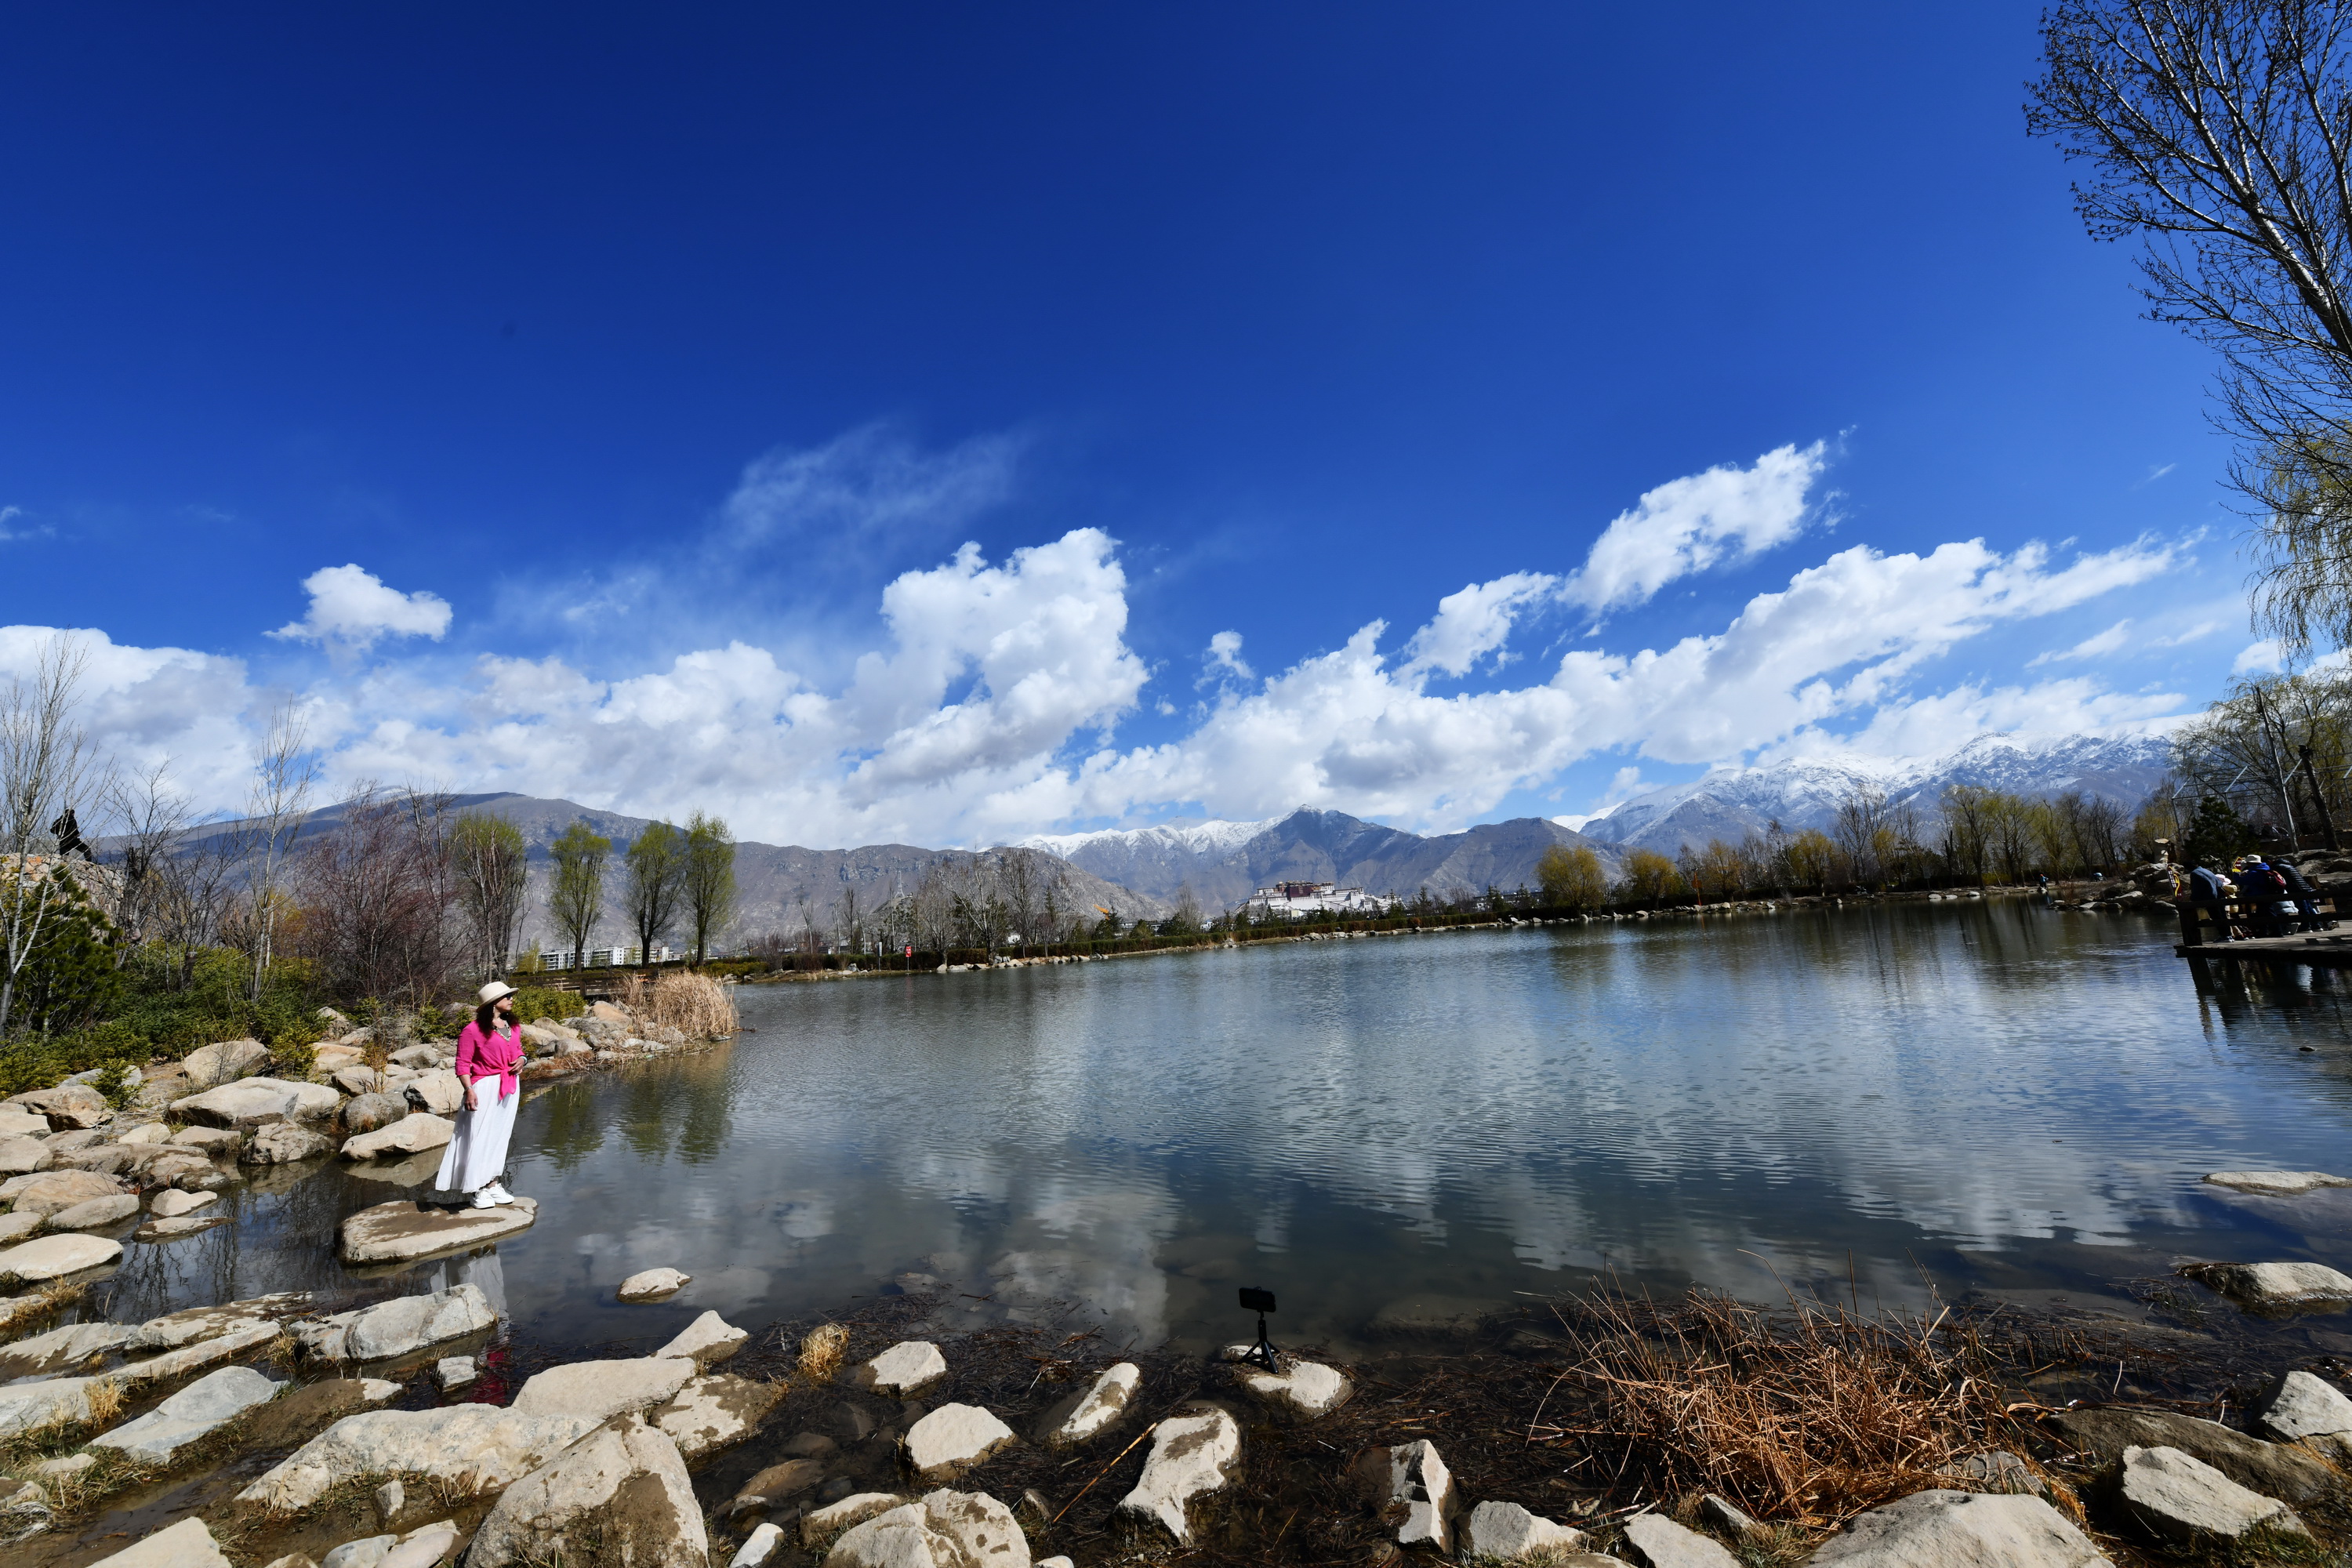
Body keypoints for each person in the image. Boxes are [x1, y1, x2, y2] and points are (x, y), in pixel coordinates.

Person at [439, 981, 524, 1209]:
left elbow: (518, 1050)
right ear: (493, 1003)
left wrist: (523, 1060)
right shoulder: (472, 1030)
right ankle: (477, 1189)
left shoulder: (513, 1027)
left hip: (509, 1086)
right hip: (484, 1087)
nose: (511, 999)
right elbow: (462, 1063)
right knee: (478, 1136)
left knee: (499, 1135)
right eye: (506, 996)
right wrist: (468, 1090)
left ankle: (492, 1184)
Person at [2187, 862, 2234, 942]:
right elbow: (2219, 883)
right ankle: (2229, 936)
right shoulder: (2206, 870)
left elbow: (2197, 888)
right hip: (2219, 897)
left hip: (2210, 898)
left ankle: (2224, 936)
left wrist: (2193, 898)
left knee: (2216, 917)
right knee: (2223, 917)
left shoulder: (2194, 873)